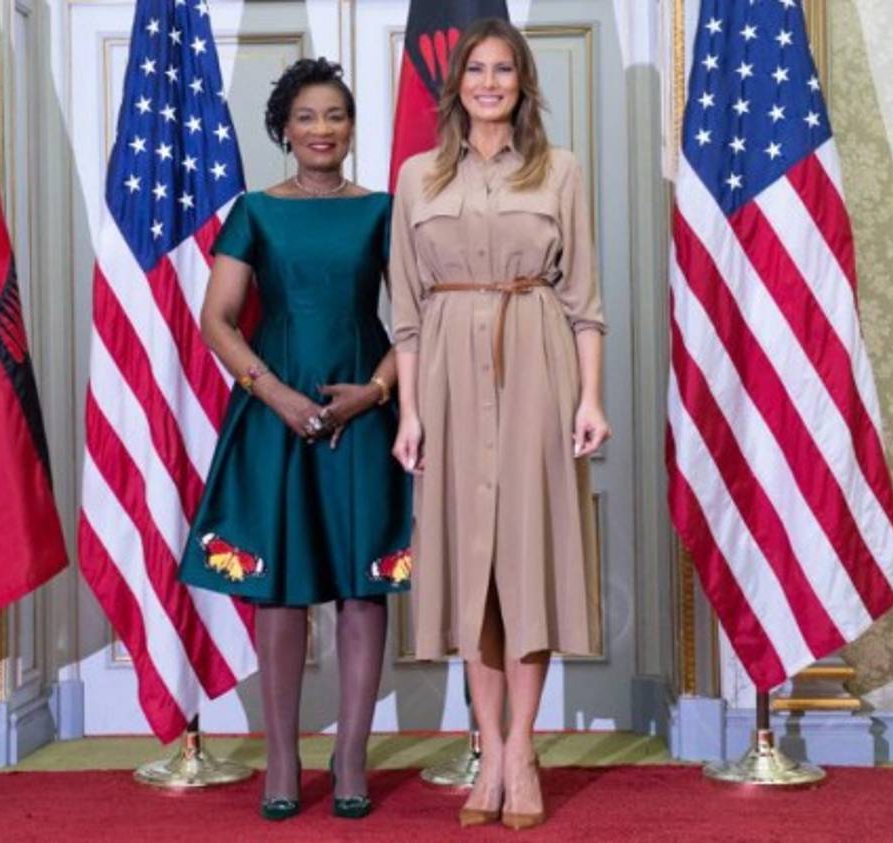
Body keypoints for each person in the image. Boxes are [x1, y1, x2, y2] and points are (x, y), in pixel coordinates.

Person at [389, 18, 611, 831]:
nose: (489, 82)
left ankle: (522, 750)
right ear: (457, 85)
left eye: (504, 70)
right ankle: (487, 747)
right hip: (445, 379)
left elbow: (586, 302)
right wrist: (409, 413)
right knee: (469, 572)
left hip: (538, 369)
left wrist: (589, 400)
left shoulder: (563, 171)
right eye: (476, 69)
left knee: (529, 565)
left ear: (523, 84)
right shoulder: (416, 177)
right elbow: (405, 315)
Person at [178, 57, 411, 822]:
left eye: (335, 115)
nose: (321, 129)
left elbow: (413, 320)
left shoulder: (382, 209)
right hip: (274, 417)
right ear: (283, 128)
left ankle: (351, 753)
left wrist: (374, 392)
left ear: (351, 127)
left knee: (359, 583)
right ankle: (282, 752)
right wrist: (275, 393)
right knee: (278, 588)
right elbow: (217, 317)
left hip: (363, 412)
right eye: (306, 117)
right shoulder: (255, 210)